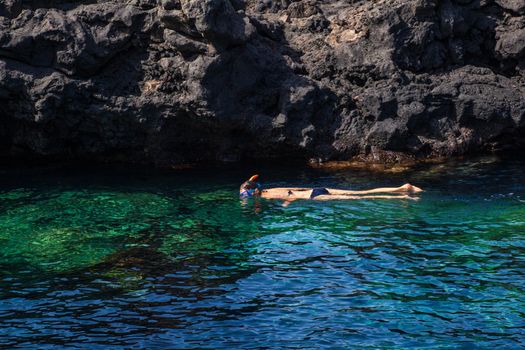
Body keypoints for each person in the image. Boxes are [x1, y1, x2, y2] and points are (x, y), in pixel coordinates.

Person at [239, 174, 423, 202]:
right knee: (364, 192)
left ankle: (401, 197)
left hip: (314, 197)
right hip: (318, 188)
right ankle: (403, 188)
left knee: (362, 199)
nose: (243, 195)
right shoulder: (271, 188)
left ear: (254, 191)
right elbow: (293, 188)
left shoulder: (267, 197)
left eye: (245, 193)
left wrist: (287, 203)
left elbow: (291, 196)